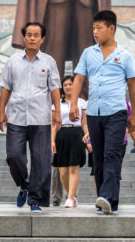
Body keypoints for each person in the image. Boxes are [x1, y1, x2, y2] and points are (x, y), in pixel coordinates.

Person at [70, 10, 135, 215]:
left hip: (116, 112)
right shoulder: (88, 53)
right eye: (93, 28)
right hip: (93, 112)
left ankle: (107, 196)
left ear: (112, 28)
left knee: (112, 154)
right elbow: (79, 79)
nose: (95, 32)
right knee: (98, 158)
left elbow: (133, 86)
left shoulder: (124, 56)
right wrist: (74, 104)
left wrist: (134, 114)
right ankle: (108, 199)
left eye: (99, 27)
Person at [0, 21, 62, 212]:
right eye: (29, 35)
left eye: (36, 35)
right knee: (14, 156)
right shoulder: (13, 61)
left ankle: (35, 200)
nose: (32, 38)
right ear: (23, 37)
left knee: (41, 161)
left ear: (42, 39)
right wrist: (1, 111)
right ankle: (25, 184)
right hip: (16, 117)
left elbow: (55, 88)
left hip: (40, 118)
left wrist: (57, 112)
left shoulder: (49, 62)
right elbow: (5, 87)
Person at [52, 75, 89, 208]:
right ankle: (70, 196)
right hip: (61, 135)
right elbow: (53, 124)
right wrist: (52, 140)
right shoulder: (56, 104)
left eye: (70, 84)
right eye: (65, 84)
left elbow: (84, 122)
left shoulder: (82, 102)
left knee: (74, 168)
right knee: (62, 171)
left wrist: (88, 139)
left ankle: (70, 197)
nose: (68, 86)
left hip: (77, 134)